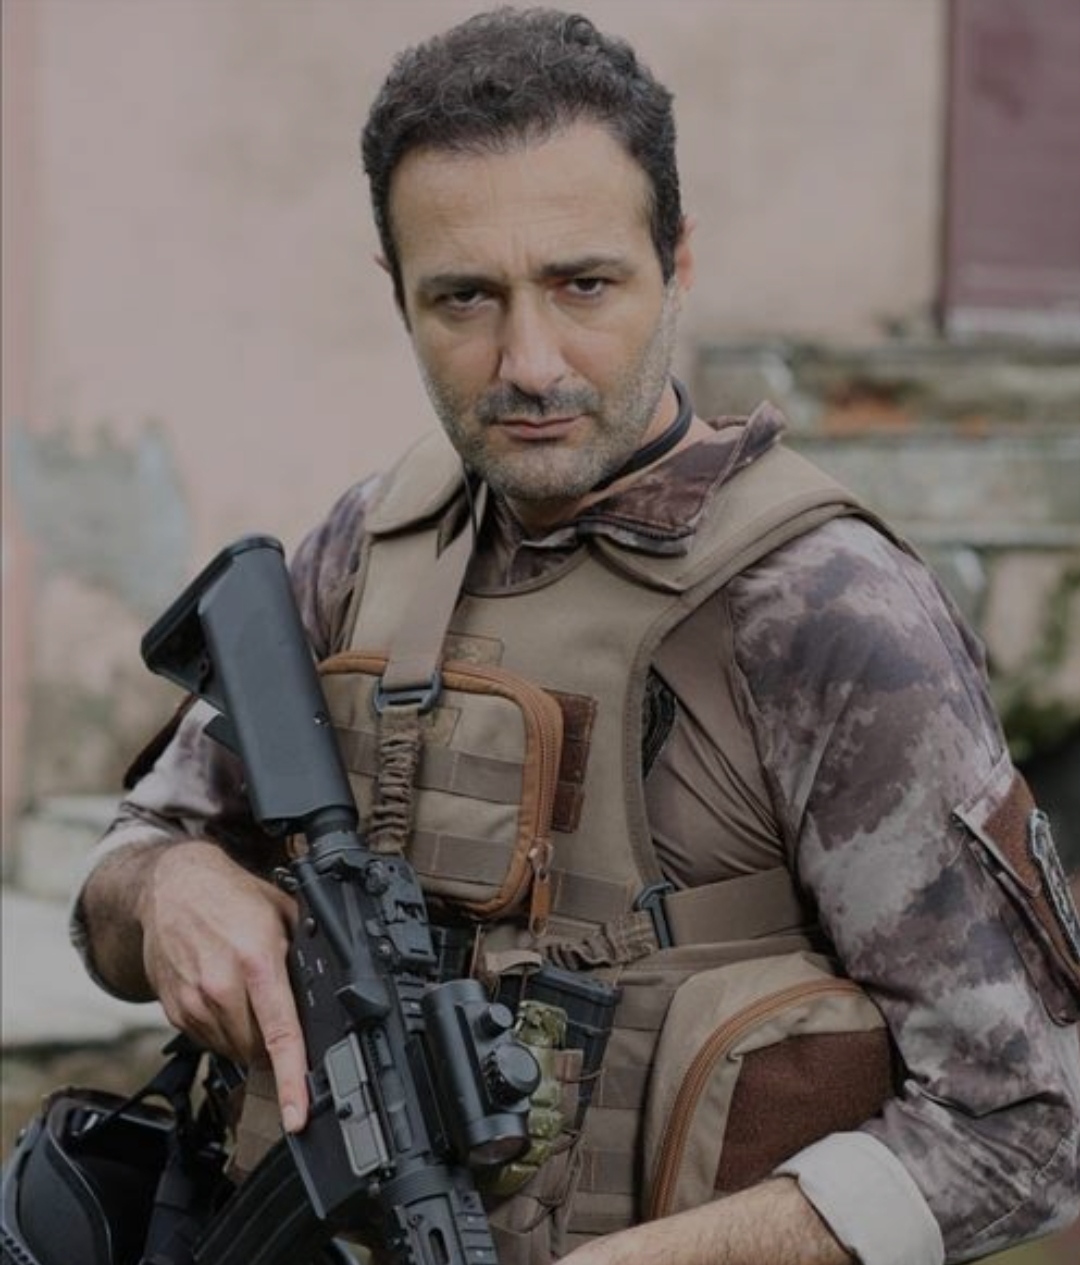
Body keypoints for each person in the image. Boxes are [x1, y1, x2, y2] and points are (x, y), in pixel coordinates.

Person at [72, 8, 1080, 1265]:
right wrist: (170, 887)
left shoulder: (825, 612)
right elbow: (120, 878)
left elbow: (1023, 1126)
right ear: (397, 292)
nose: (531, 362)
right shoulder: (367, 545)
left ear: (679, 259)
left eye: (583, 283)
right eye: (465, 297)